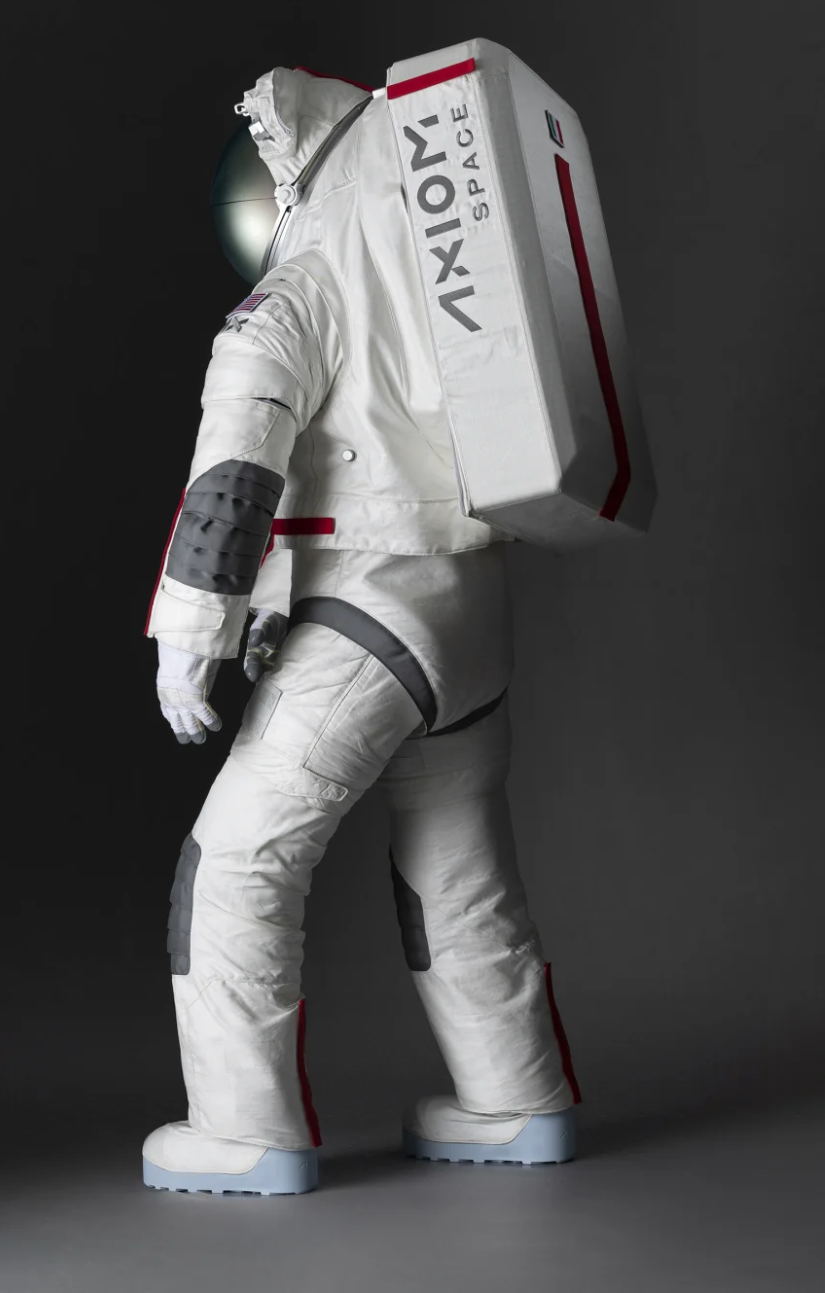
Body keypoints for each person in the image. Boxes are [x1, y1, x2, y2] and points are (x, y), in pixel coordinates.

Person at [141, 66, 581, 1197]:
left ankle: (245, 1129)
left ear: (283, 183)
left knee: (237, 866)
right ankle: (516, 1100)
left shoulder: (310, 265)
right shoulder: (435, 240)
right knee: (457, 869)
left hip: (370, 609)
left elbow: (241, 445)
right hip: (471, 614)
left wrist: (192, 623)